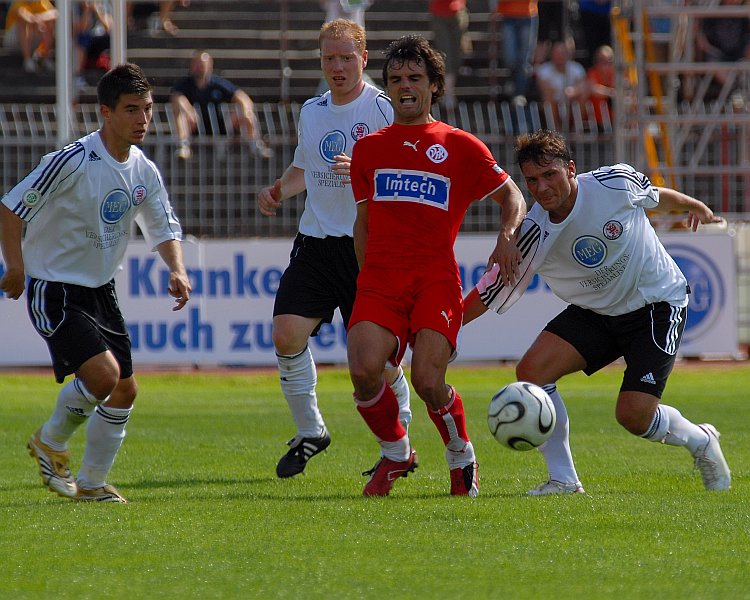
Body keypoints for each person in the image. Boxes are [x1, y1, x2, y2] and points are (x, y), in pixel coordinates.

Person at [463, 129, 731, 495]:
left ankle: (700, 440)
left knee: (633, 416)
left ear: (571, 169)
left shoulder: (613, 183)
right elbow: (488, 291)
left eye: (550, 174)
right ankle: (563, 480)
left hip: (656, 303)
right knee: (532, 371)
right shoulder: (533, 233)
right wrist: (443, 327)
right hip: (597, 312)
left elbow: (654, 196)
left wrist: (692, 205)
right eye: (532, 180)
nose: (542, 188)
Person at [0, 63, 192, 503]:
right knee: (105, 376)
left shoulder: (143, 169)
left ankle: (90, 484)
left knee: (124, 389)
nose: (143, 119)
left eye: (147, 109)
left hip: (101, 290)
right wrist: (16, 266)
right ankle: (50, 441)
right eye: (132, 110)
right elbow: (10, 208)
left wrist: (177, 268)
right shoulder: (72, 161)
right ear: (106, 112)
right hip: (55, 288)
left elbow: (162, 226)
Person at [347, 35, 526, 497]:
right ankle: (396, 452)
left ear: (434, 86)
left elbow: (513, 197)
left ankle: (461, 454)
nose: (404, 86)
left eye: (414, 78)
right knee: (363, 369)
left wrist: (506, 237)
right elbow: (363, 223)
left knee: (428, 380)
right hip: (380, 280)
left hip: (434, 279)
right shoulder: (368, 150)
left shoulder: (460, 145)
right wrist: (365, 279)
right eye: (395, 79)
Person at [257, 19, 411, 479]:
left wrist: (365, 170)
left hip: (367, 248)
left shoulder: (382, 108)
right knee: (286, 335)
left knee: (376, 361)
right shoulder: (312, 110)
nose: (337, 67)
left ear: (364, 59)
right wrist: (279, 190)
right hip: (316, 243)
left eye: (346, 58)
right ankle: (311, 431)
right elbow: (306, 167)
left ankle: (400, 442)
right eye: (329, 58)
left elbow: (406, 168)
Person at [170, 50, 271, 161]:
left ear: (210, 66)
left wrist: (246, 110)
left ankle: (255, 146)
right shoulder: (184, 84)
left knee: (247, 115)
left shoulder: (217, 83)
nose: (199, 68)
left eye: (202, 65)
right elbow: (177, 98)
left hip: (219, 124)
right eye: (197, 64)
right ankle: (184, 146)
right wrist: (189, 110)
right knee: (181, 115)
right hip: (195, 124)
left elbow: (241, 97)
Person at [534, 39, 587, 128]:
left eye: (562, 53)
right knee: (548, 97)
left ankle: (576, 129)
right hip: (553, 102)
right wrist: (562, 94)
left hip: (571, 101)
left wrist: (572, 92)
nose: (559, 56)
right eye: (557, 53)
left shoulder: (577, 68)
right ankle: (555, 130)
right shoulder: (543, 69)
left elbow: (583, 85)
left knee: (583, 95)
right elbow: (545, 88)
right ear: (551, 54)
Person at [494, 0, 539, 104]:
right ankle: (512, 80)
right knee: (509, 57)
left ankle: (519, 93)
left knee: (524, 59)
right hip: (507, 16)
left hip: (528, 15)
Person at [428, 0, 470, 109]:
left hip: (458, 10)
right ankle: (448, 93)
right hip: (439, 12)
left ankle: (449, 91)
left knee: (456, 55)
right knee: (446, 53)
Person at [3, 0, 57, 74]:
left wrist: (40, 17)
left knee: (48, 23)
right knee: (22, 22)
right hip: (13, 42)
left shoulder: (41, 2)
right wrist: (37, 19)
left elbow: (55, 13)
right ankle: (27, 60)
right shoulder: (18, 2)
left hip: (32, 41)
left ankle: (45, 59)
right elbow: (23, 15)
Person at [73, 1, 112, 89]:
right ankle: (77, 75)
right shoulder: (75, 7)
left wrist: (97, 10)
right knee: (83, 37)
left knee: (111, 39)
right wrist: (87, 10)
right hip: (83, 41)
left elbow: (108, 27)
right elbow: (82, 28)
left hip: (99, 40)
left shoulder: (101, 4)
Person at [585, 44, 615, 129]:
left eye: (609, 60)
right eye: (602, 60)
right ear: (596, 61)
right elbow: (593, 89)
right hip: (596, 123)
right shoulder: (593, 73)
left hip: (615, 121)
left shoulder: (616, 74)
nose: (606, 64)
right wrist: (611, 93)